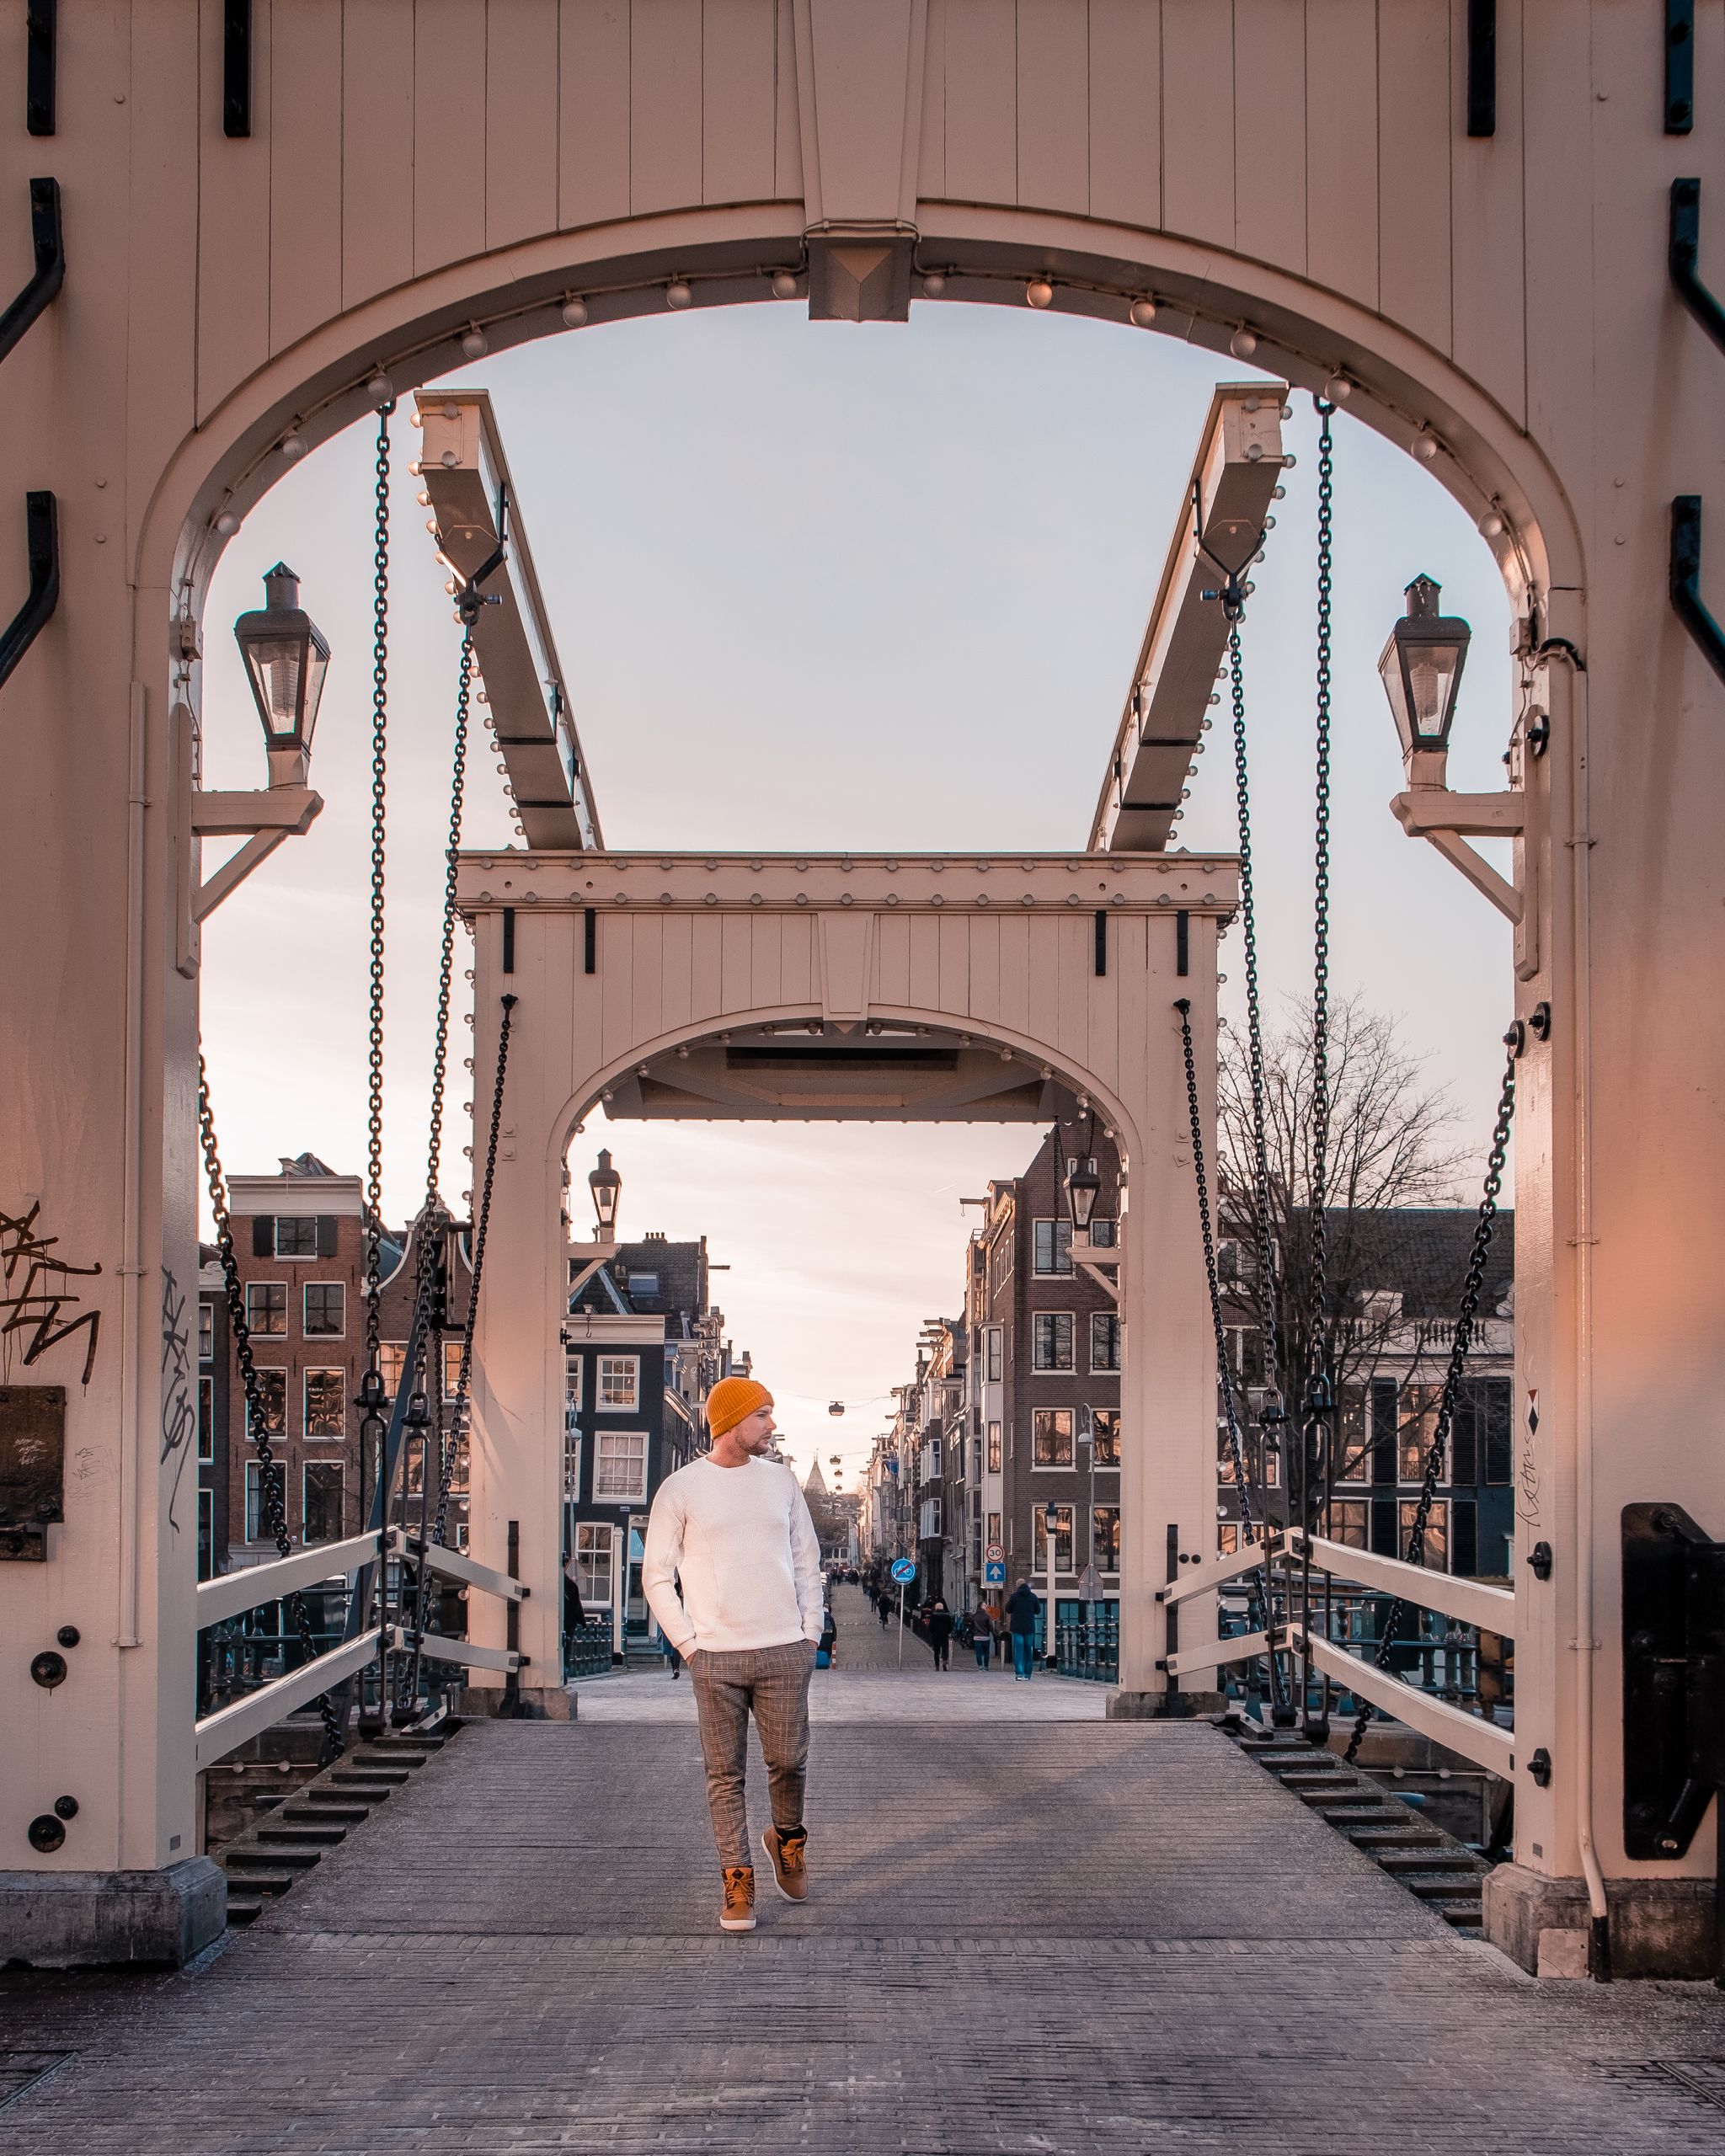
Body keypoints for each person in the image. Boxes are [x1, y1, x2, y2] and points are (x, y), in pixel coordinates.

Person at [643, 1375, 823, 1934]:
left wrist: (810, 1634)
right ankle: (737, 1881)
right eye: (763, 1415)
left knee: (788, 1761)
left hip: (783, 1651)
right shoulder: (680, 1489)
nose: (771, 1425)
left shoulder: (782, 1482)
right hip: (714, 1658)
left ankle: (787, 1839)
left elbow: (806, 1562)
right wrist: (690, 1646)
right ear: (731, 1422)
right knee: (725, 1774)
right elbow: (656, 1576)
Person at [1005, 1578, 1042, 1680]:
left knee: (1019, 1650)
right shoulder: (1033, 1597)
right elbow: (1038, 1611)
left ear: (1017, 1586)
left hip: (1017, 1627)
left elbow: (1008, 1609)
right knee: (1028, 1650)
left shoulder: (1014, 1597)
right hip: (1029, 1627)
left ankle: (1019, 1674)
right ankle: (1028, 1674)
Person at [925, 1597, 953, 1671]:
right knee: (945, 1650)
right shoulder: (947, 1616)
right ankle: (944, 1662)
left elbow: (931, 1627)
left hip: (936, 1635)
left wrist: (932, 1632)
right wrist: (947, 1632)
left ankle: (937, 1666)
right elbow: (950, 1626)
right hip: (944, 1635)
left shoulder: (933, 1616)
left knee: (936, 1651)